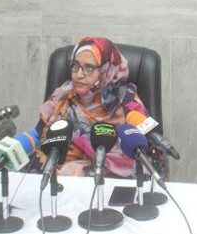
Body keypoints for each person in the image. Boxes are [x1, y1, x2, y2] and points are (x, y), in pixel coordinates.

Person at [31, 36, 150, 178]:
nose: (78, 75)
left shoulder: (125, 98)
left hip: (113, 181)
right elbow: (38, 134)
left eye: (89, 68)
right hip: (57, 180)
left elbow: (149, 146)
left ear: (106, 70)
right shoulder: (63, 95)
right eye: (75, 65)